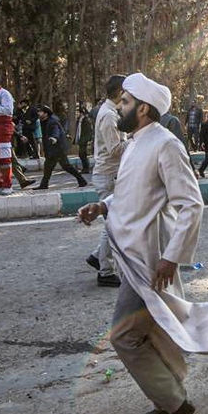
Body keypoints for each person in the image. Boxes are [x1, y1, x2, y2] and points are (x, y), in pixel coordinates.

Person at [76, 72, 208, 414]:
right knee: (154, 333)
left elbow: (191, 203)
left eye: (123, 102)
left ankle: (175, 403)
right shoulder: (135, 143)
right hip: (132, 256)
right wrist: (102, 205)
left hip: (150, 262)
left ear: (143, 108)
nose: (118, 107)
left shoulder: (165, 144)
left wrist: (172, 258)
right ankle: (166, 398)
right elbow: (133, 196)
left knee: (123, 336)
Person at [88, 74, 127, 287]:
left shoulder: (111, 112)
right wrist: (138, 140)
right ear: (120, 92)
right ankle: (104, 271)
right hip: (108, 175)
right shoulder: (109, 116)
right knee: (114, 225)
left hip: (110, 174)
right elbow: (115, 150)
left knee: (113, 222)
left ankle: (97, 256)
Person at [34, 105, 88, 189]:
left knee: (66, 166)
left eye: (40, 112)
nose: (38, 113)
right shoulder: (44, 121)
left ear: (46, 113)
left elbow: (56, 130)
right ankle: (44, 185)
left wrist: (54, 138)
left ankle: (82, 180)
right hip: (51, 149)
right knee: (48, 167)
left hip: (57, 149)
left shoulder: (52, 121)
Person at [76, 101, 95, 173]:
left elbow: (88, 132)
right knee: (81, 154)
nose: (76, 114)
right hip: (81, 139)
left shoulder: (86, 120)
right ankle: (85, 168)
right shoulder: (80, 120)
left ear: (81, 113)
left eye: (77, 112)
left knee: (82, 154)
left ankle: (86, 168)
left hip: (84, 140)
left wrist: (85, 140)